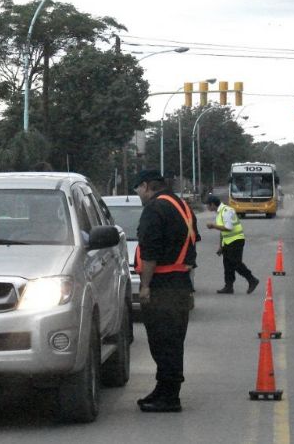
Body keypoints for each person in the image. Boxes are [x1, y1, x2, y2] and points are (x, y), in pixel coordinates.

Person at [133, 169, 200, 413]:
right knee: (172, 340)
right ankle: (163, 389)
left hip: (163, 286)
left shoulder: (154, 209)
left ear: (147, 186)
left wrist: (145, 286)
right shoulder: (181, 205)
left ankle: (170, 397)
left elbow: (150, 252)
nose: (138, 194)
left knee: (163, 342)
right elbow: (193, 239)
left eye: (138, 189)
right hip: (180, 283)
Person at [204, 195, 259, 295]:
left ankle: (252, 280)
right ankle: (228, 286)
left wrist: (213, 226)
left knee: (236, 263)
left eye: (208, 205)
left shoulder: (226, 211)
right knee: (227, 264)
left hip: (236, 240)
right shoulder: (219, 212)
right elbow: (222, 231)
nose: (207, 207)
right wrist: (221, 245)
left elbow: (228, 228)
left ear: (212, 204)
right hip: (228, 241)